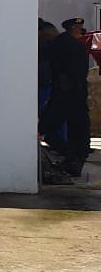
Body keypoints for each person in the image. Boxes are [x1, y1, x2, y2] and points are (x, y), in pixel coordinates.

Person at [44, 18, 92, 175]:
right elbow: (74, 71)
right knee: (75, 127)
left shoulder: (63, 43)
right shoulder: (70, 45)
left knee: (55, 125)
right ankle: (72, 158)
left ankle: (71, 158)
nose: (82, 31)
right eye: (79, 28)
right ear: (73, 29)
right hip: (71, 92)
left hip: (67, 92)